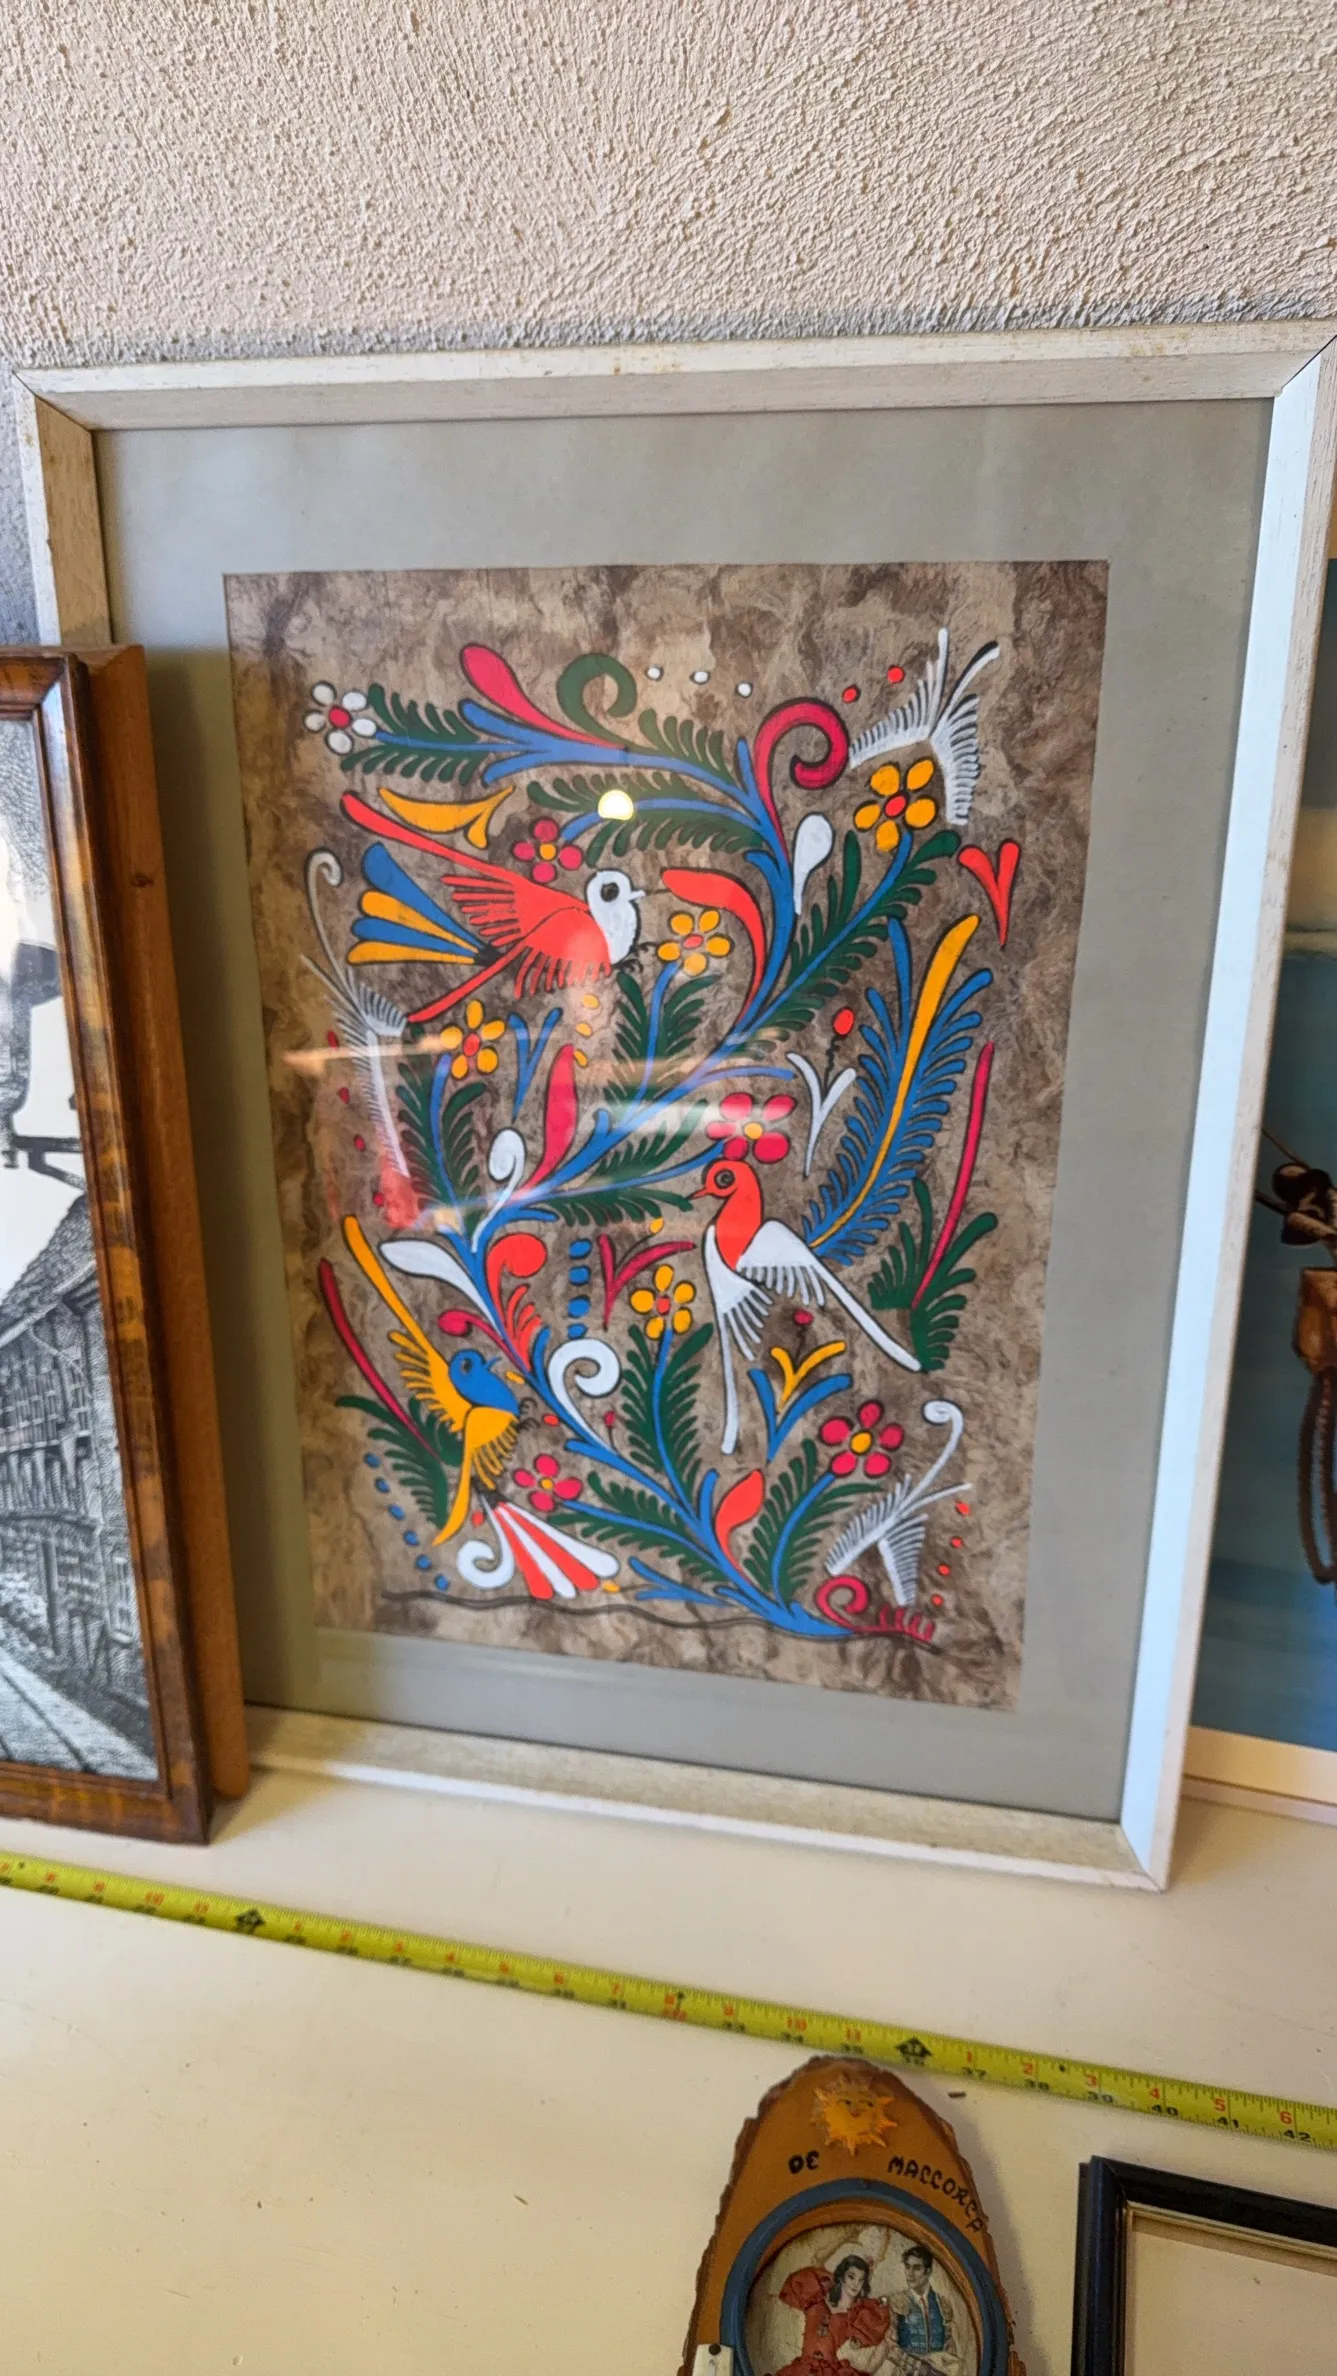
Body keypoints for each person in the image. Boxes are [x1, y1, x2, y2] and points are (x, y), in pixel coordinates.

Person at [769, 2250, 892, 2376]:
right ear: (841, 2276)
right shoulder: (816, 2297)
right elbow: (816, 2262)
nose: (856, 2284)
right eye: (851, 2277)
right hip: (802, 2370)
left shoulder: (856, 2315)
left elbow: (878, 2339)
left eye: (861, 2280)